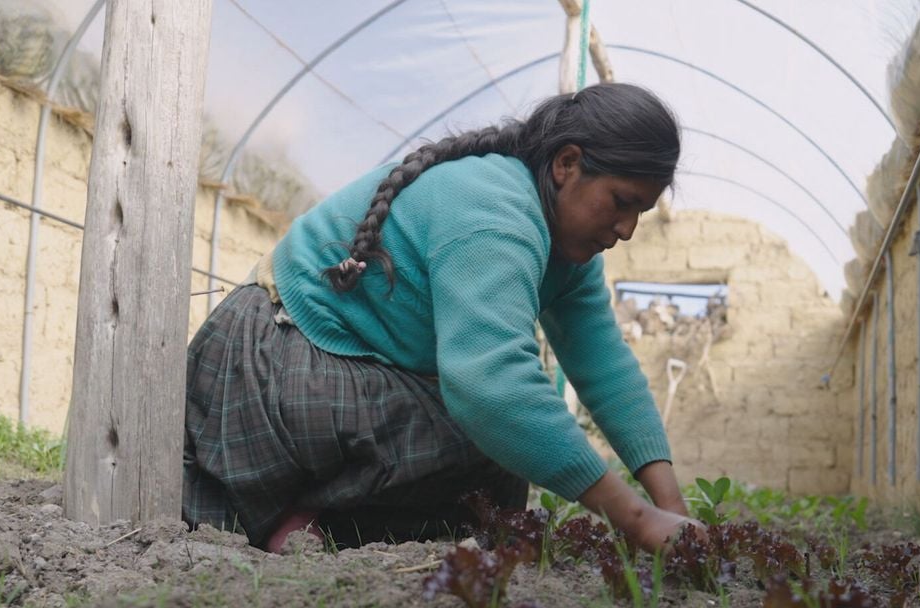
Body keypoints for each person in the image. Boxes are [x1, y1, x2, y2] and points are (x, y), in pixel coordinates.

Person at [183, 83, 700, 553]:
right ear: (567, 164)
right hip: (273, 362)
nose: (628, 228)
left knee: (494, 479)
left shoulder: (569, 252)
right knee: (491, 430)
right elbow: (491, 384)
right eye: (621, 202)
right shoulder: (493, 210)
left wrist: (672, 510)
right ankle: (304, 513)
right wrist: (635, 520)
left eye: (641, 213)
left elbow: (605, 367)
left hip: (338, 376)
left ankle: (324, 526)